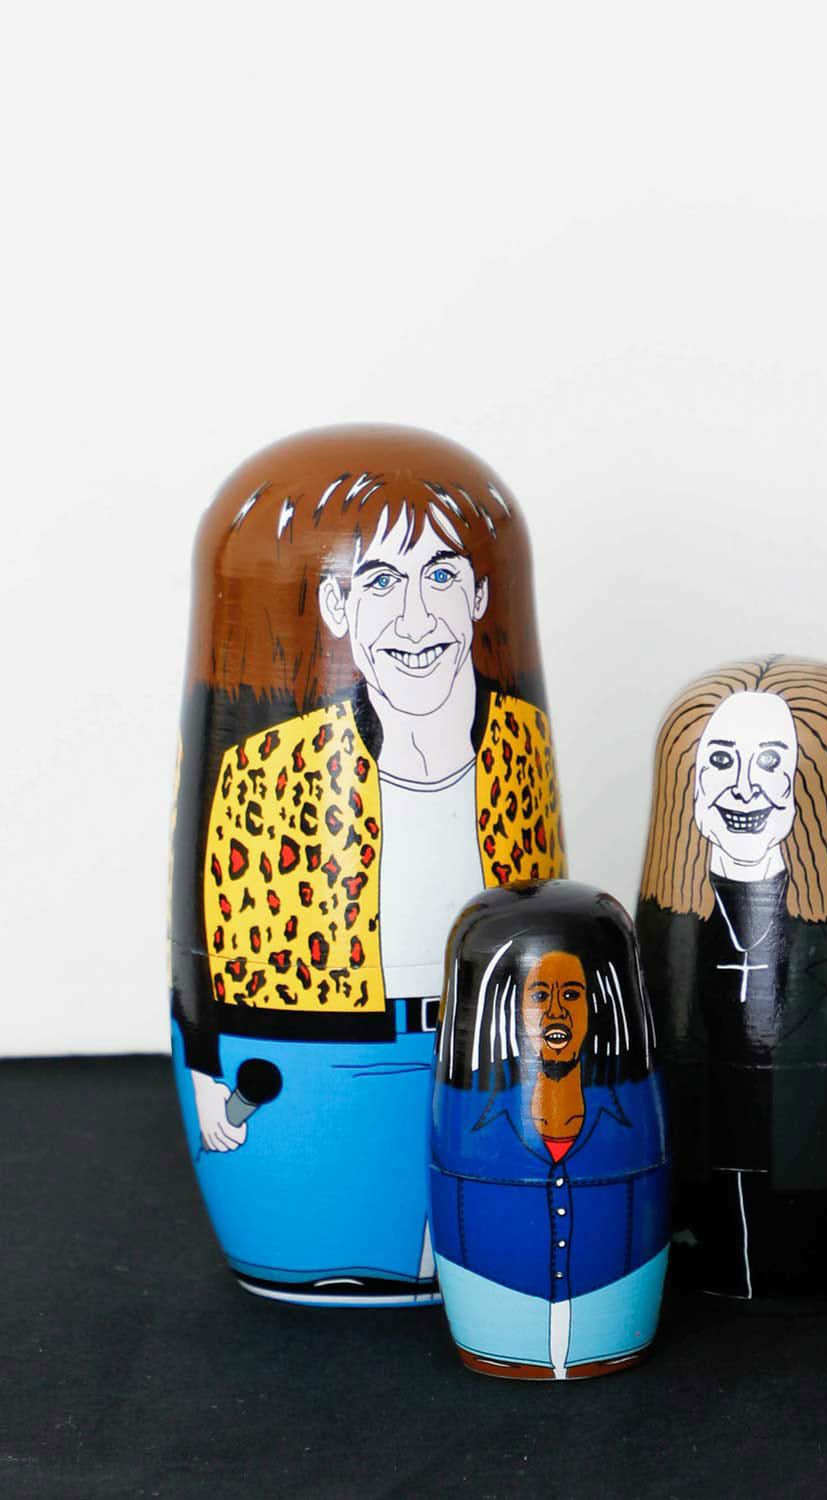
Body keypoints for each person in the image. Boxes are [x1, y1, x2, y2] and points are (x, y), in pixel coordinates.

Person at [168, 425, 566, 1304]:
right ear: (337, 608)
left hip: (489, 1051)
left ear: (481, 596)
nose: (416, 619)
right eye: (380, 581)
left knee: (481, 1263)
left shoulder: (518, 745)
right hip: (316, 1059)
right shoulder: (266, 769)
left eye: (442, 576)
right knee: (335, 1256)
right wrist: (203, 1064)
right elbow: (207, 926)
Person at [635, 656, 827, 1298]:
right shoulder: (670, 935)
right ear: (692, 784)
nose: (744, 788)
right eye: (721, 761)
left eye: (771, 763)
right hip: (693, 1223)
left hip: (825, 1229)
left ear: (810, 786)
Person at [429, 884, 669, 1379]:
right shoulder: (475, 1113)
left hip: (613, 1304)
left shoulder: (627, 1112)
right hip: (496, 1299)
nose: (555, 1012)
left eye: (571, 995)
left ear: (595, 1008)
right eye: (539, 995)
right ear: (513, 1008)